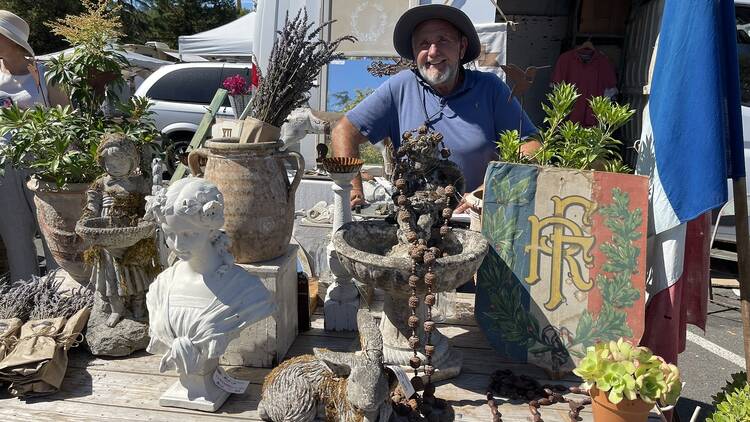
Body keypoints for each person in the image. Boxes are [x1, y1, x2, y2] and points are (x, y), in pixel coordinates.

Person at [331, 4, 540, 208]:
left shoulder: (489, 88)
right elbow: (344, 131)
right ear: (414, 52)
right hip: (412, 221)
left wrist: (487, 191)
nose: (432, 52)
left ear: (462, 47)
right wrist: (353, 190)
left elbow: (531, 145)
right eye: (423, 43)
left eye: (443, 40)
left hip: (475, 217)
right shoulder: (400, 87)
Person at [0, 11, 68, 282]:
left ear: (10, 39)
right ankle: (24, 293)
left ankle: (61, 289)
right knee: (14, 233)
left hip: (42, 161)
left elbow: (66, 117)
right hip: (4, 165)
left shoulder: (45, 72)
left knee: (51, 228)